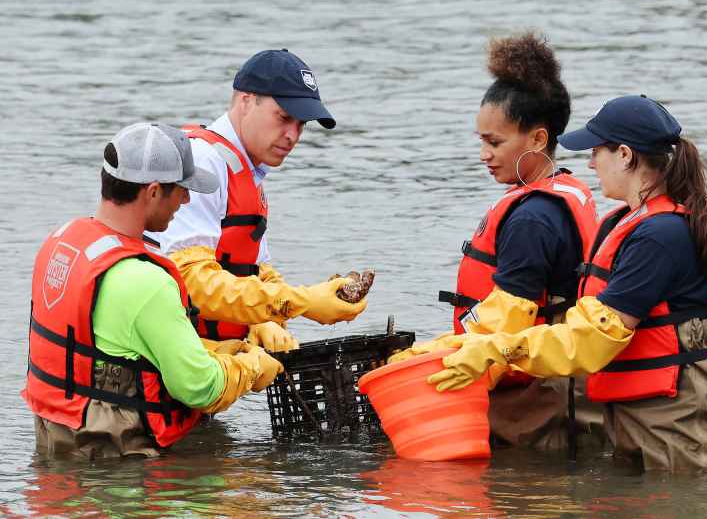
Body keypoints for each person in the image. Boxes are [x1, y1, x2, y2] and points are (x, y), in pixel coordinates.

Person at [427, 95, 707, 472]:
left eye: (597, 151)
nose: (590, 162)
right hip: (647, 417)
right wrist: (457, 345)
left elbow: (593, 339)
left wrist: (499, 348)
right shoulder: (630, 222)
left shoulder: (661, 235)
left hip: (685, 425)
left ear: (626, 156)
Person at [23, 123, 284, 459]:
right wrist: (251, 367)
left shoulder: (61, 243)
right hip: (120, 472)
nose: (187, 199)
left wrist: (220, 350)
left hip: (58, 449)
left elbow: (113, 348)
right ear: (154, 191)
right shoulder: (146, 281)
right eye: (182, 189)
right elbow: (200, 387)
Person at [391, 33, 600, 451]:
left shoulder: (534, 218)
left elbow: (509, 319)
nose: (484, 154)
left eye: (495, 142)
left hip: (536, 402)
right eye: (481, 141)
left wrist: (432, 357)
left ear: (538, 140)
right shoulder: (565, 191)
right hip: (564, 390)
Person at [147, 49, 367, 347]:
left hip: (199, 353)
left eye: (301, 124)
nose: (293, 135)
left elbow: (255, 270)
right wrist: (303, 302)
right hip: (161, 356)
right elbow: (190, 281)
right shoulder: (202, 162)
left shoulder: (247, 171)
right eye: (284, 117)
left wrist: (269, 319)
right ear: (246, 101)